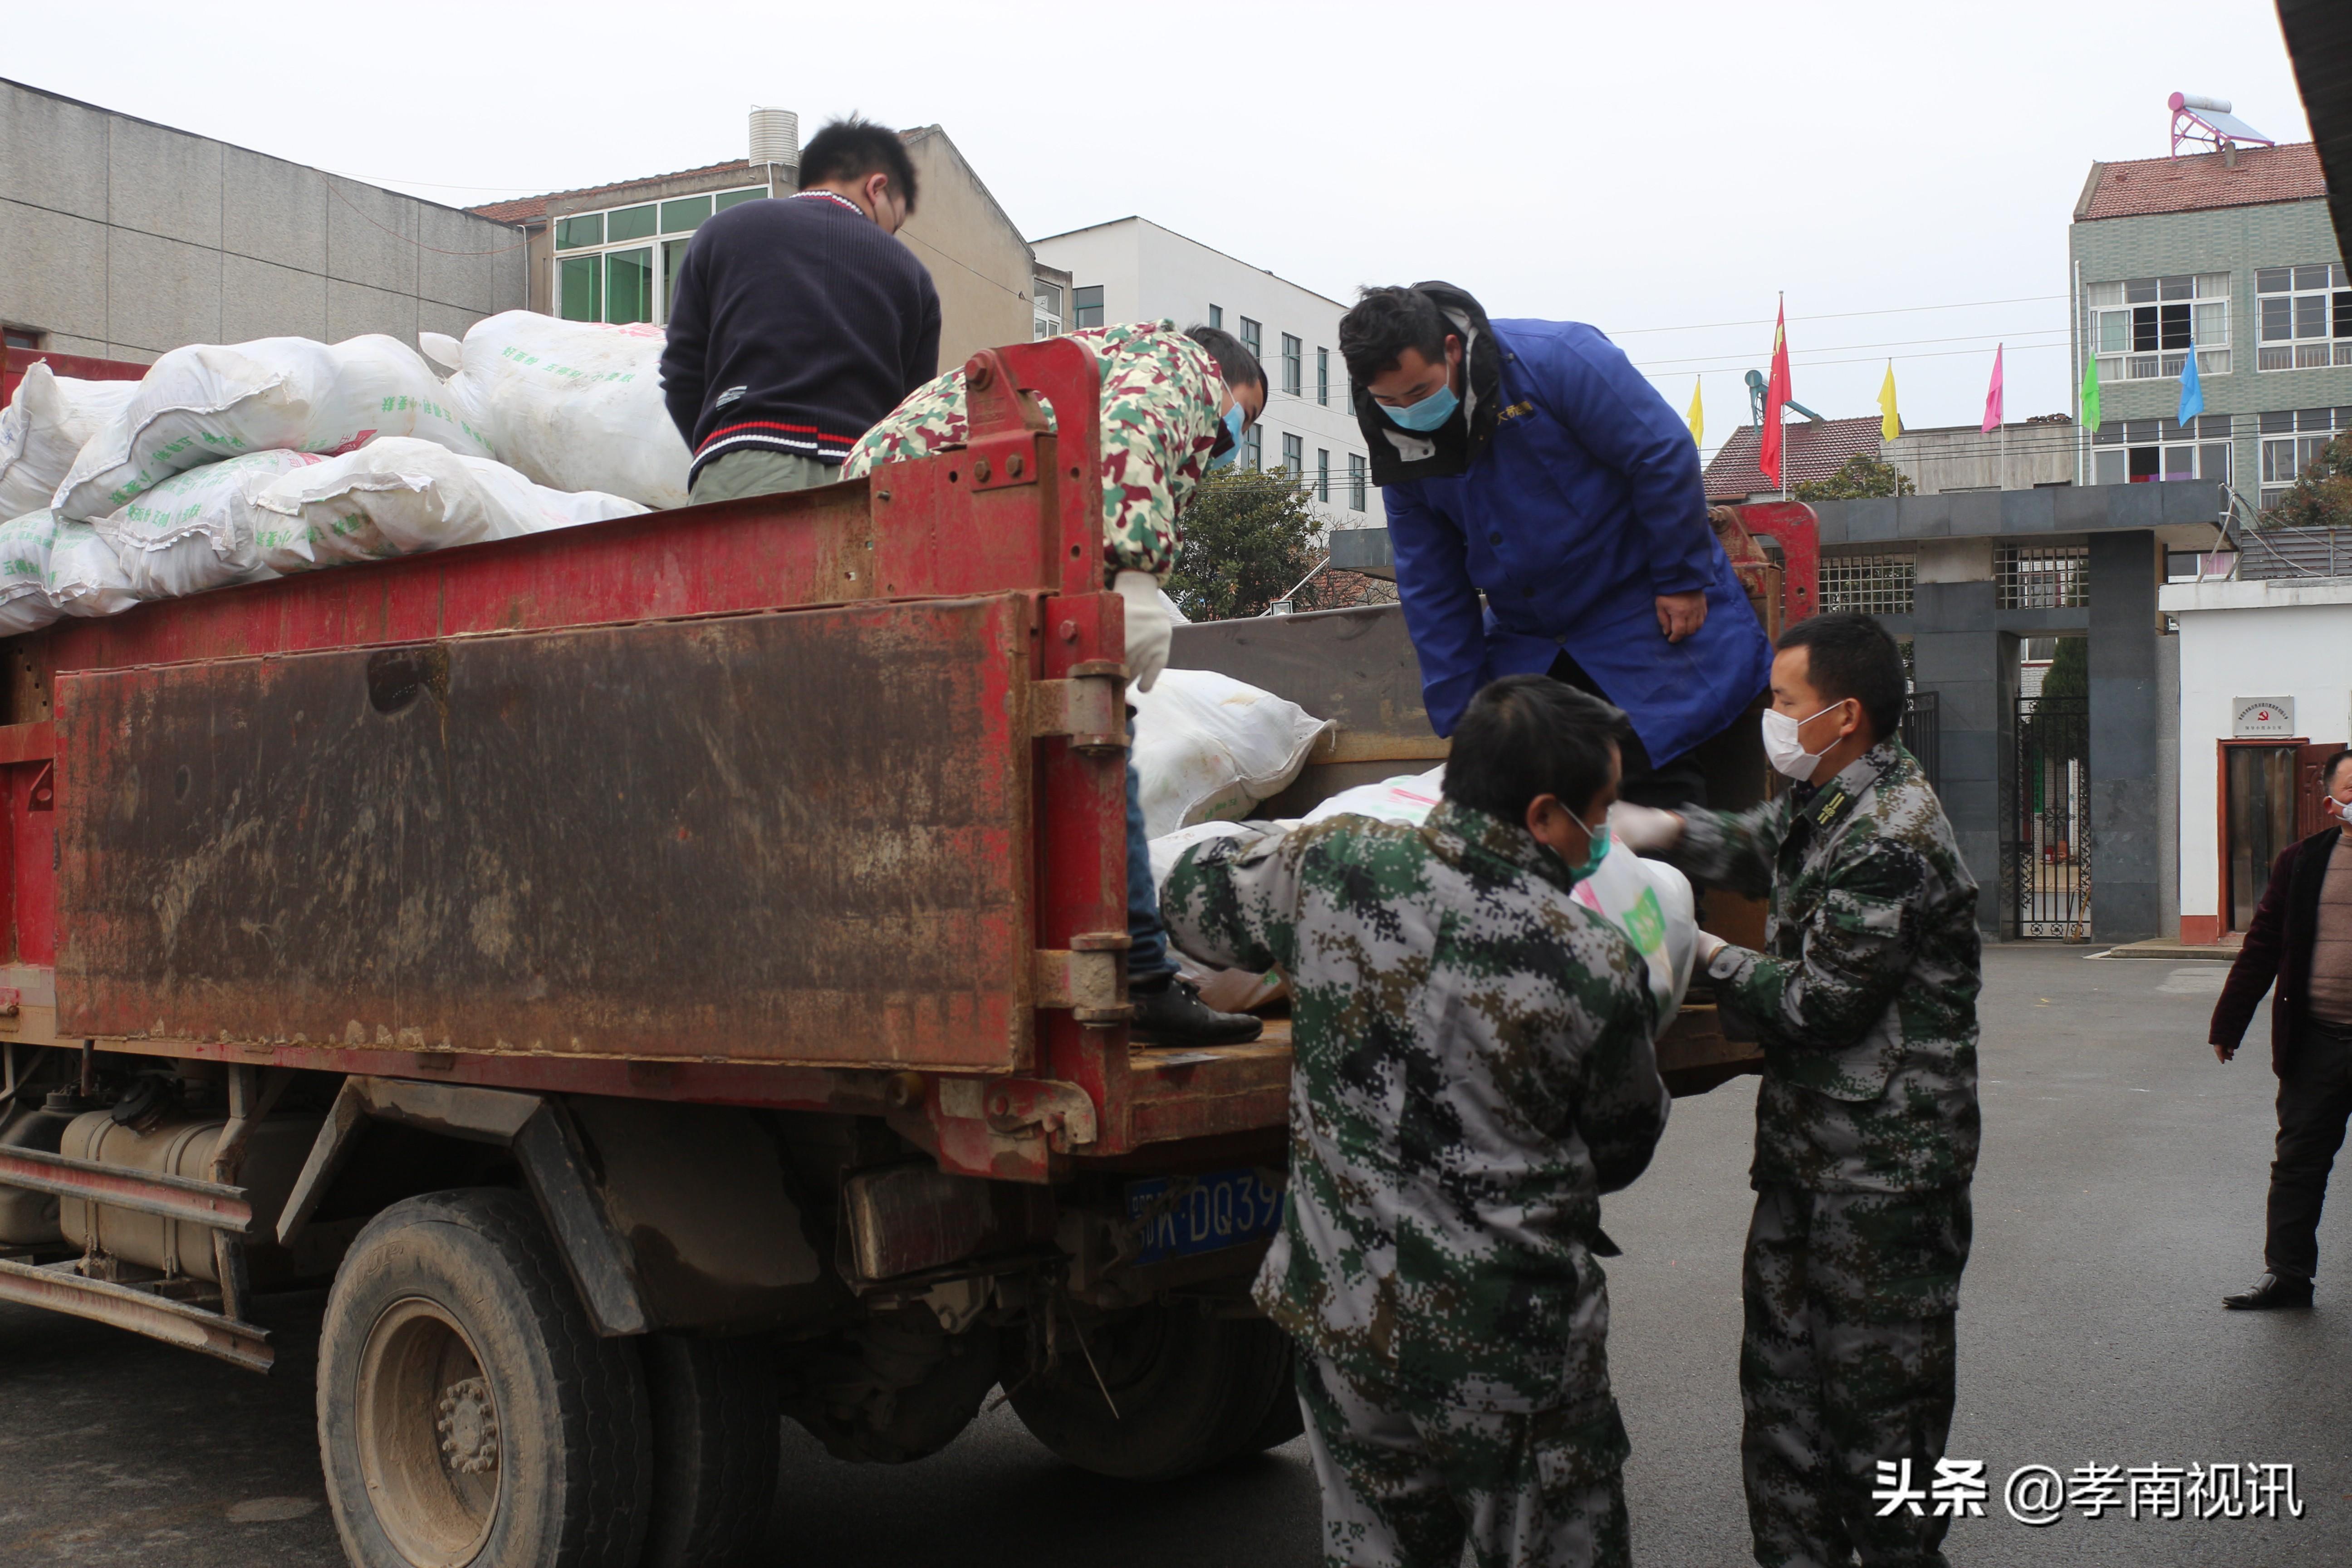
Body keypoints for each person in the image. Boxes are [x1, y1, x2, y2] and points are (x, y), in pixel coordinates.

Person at [1162, 674, 1671, 1568]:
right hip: (1511, 1349)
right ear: (1547, 816)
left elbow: (1193, 903)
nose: (1606, 830)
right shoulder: (1592, 959)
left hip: (1351, 1324)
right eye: (1602, 809)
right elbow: (1623, 1144)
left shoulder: (1330, 866)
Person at [1610, 612, 1980, 1568]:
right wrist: (1664, 830)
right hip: (1809, 1164)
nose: (1772, 719)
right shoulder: (1829, 801)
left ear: (1843, 715)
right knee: (1784, 1419)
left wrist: (1709, 955)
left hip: (1886, 1186)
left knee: (1881, 1434)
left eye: (1784, 702)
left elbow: (1821, 1006)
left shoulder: (1893, 832)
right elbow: (1759, 840)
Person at [842, 321, 1268, 1045]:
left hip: (901, 514)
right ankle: (1140, 977)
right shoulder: (1181, 362)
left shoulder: (1106, 362)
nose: (1233, 435)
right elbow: (1131, 447)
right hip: (954, 501)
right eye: (1242, 415)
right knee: (1096, 723)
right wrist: (1134, 575)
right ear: (1220, 376)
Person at [1338, 283, 1773, 810]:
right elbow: (1430, 580)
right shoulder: (1396, 438)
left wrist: (1681, 579)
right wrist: (1465, 713)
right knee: (1535, 794)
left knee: (1653, 781)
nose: (1408, 410)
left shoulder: (1556, 358)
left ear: (1452, 349)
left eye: (1420, 392)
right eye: (1390, 401)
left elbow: (1660, 453)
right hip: (1532, 634)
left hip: (1640, 607)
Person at [660, 116, 941, 504]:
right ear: (877, 187)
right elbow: (912, 414)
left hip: (743, 467)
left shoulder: (724, 230)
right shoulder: (913, 275)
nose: (889, 236)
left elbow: (680, 373)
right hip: (863, 482)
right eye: (896, 220)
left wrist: (724, 446)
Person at [2210, 747, 2352, 1310]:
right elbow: (2264, 944)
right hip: (2317, 1039)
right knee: (2298, 1163)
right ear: (2332, 802)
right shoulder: (2302, 862)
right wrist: (2230, 1021)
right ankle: (2288, 1276)